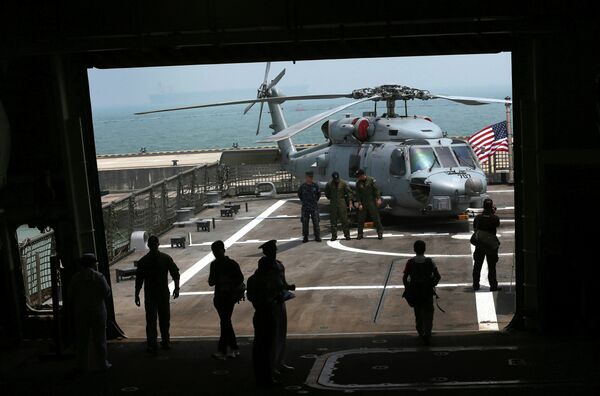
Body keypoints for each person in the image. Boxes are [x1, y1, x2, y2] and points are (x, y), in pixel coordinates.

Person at [247, 240, 285, 387]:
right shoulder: (269, 281)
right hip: (269, 314)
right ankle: (268, 378)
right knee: (269, 346)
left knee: (258, 347)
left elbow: (251, 297)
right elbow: (276, 294)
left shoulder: (252, 280)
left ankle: (259, 377)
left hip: (259, 314)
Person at [135, 235, 180, 354]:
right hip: (163, 294)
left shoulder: (143, 261)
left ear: (148, 245)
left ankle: (152, 344)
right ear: (158, 244)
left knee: (151, 321)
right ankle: (165, 341)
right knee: (164, 320)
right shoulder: (165, 258)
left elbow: (139, 280)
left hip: (150, 295)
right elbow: (175, 274)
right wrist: (176, 288)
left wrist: (136, 294)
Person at [68, 253, 112, 372]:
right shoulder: (99, 277)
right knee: (100, 339)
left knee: (82, 339)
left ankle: (82, 365)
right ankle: (102, 364)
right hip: (98, 310)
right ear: (93, 264)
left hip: (81, 311)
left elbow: (70, 295)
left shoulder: (76, 278)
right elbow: (107, 292)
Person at [208, 240, 244, 360]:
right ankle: (233, 348)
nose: (216, 254)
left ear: (222, 250)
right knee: (226, 322)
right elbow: (240, 279)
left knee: (225, 322)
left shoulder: (216, 265)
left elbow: (211, 282)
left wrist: (225, 280)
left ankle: (223, 349)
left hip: (225, 297)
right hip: (226, 297)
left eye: (216, 251)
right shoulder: (231, 264)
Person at [402, 240, 441, 346]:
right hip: (427, 292)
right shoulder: (430, 261)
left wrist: (407, 288)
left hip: (415, 292)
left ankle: (420, 331)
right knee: (428, 313)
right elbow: (438, 276)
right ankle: (427, 333)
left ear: (414, 250)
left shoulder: (410, 262)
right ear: (425, 249)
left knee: (418, 312)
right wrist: (432, 284)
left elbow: (405, 278)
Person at [472, 198, 501, 291]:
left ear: (483, 206)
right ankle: (493, 286)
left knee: (477, 266)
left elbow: (475, 228)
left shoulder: (478, 218)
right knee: (492, 267)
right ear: (491, 207)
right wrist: (492, 213)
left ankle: (476, 285)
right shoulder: (495, 218)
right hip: (491, 245)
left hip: (480, 244)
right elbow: (497, 224)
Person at [354, 169, 384, 239]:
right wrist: (359, 203)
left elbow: (376, 190)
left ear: (362, 175)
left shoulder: (371, 180)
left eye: (359, 176)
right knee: (361, 219)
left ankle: (380, 232)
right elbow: (358, 194)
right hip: (363, 203)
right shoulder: (358, 183)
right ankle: (360, 234)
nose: (358, 177)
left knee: (376, 218)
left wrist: (378, 198)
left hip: (372, 202)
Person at [324, 171, 353, 241]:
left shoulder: (343, 183)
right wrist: (331, 198)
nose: (336, 181)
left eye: (337, 179)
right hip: (333, 203)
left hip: (341, 203)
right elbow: (327, 193)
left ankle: (347, 235)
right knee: (333, 221)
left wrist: (350, 202)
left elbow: (349, 192)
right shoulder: (329, 184)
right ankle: (334, 236)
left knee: (344, 220)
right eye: (335, 179)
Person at [297, 171, 321, 243]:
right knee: (305, 223)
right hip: (305, 208)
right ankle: (305, 237)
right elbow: (300, 195)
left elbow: (318, 195)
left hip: (314, 207)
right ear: (306, 177)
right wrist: (305, 201)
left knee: (316, 222)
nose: (309, 179)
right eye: (308, 177)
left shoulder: (315, 186)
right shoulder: (302, 186)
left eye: (310, 177)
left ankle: (317, 236)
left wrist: (314, 201)